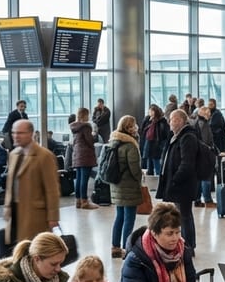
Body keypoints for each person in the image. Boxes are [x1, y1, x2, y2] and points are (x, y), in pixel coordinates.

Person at [3, 120, 60, 248]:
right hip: (15, 212)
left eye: (20, 133)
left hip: (35, 215)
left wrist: (53, 217)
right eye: (14, 133)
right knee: (16, 249)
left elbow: (52, 190)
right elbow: (10, 184)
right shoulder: (13, 155)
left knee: (33, 250)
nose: (16, 136)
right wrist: (7, 207)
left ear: (31, 134)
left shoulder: (44, 156)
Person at [157, 108, 200, 253]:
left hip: (183, 185)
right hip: (179, 184)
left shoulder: (187, 137)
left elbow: (187, 163)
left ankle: (188, 246)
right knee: (183, 215)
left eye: (172, 119)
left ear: (181, 120)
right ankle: (186, 244)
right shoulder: (177, 136)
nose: (169, 122)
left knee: (185, 216)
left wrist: (175, 179)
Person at [108, 115, 145, 260]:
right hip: (129, 186)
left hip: (116, 185)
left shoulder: (113, 142)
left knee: (119, 217)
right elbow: (135, 169)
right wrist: (140, 177)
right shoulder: (130, 145)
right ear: (129, 128)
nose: (136, 128)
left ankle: (115, 247)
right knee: (129, 218)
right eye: (134, 125)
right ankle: (126, 248)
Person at [68, 107, 99, 209]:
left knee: (79, 178)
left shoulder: (74, 127)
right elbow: (90, 141)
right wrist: (94, 135)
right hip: (86, 155)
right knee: (84, 179)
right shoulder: (86, 127)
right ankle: (85, 202)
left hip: (77, 155)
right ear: (85, 115)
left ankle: (78, 201)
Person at [192, 105, 216, 207]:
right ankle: (208, 200)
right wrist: (211, 149)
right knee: (206, 177)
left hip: (198, 155)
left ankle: (197, 199)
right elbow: (206, 141)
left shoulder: (196, 122)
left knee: (198, 178)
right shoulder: (204, 124)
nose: (210, 115)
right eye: (208, 113)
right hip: (204, 155)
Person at [140, 104, 170, 175]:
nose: (149, 112)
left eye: (151, 111)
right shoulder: (147, 119)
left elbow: (165, 134)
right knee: (149, 162)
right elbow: (142, 130)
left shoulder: (162, 121)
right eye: (149, 111)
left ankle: (159, 179)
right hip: (148, 143)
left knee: (156, 163)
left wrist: (162, 144)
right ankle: (150, 179)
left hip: (157, 144)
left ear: (155, 111)